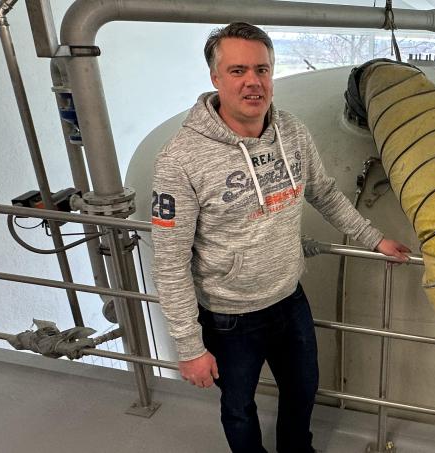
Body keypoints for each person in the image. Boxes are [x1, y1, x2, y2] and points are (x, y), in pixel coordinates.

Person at [151, 22, 410, 453]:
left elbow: (323, 192)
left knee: (303, 390)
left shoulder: (291, 131)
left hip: (289, 299)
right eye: (237, 71)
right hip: (228, 315)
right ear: (215, 78)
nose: (253, 82)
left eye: (262, 69)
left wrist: (374, 239)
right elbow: (170, 262)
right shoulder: (180, 160)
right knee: (238, 407)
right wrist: (189, 346)